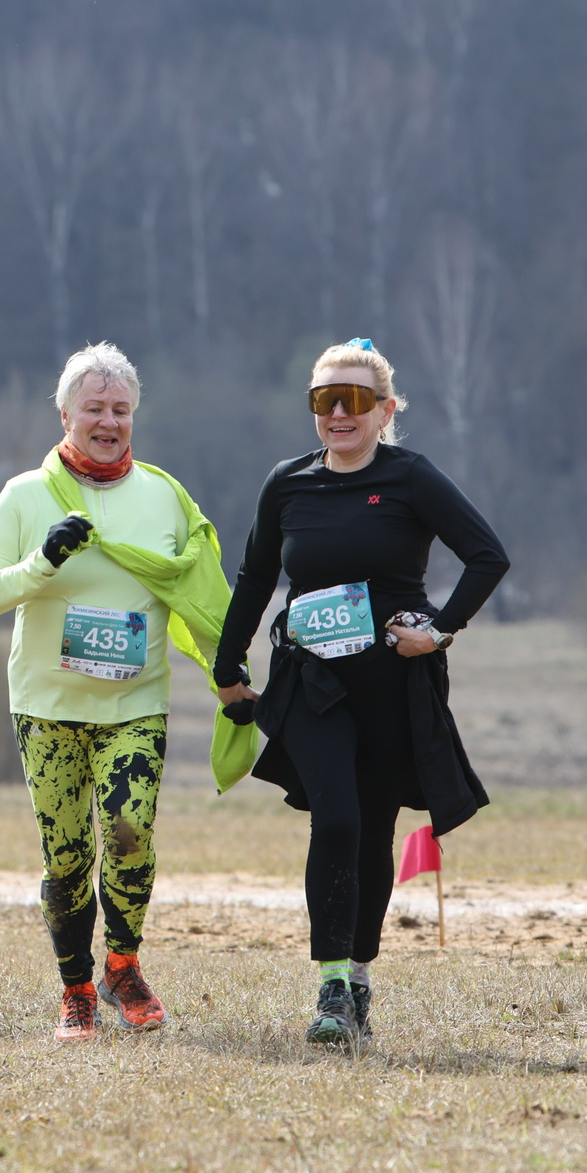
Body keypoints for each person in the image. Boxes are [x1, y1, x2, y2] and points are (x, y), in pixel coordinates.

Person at [214, 339, 508, 1049]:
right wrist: (228, 665)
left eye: (353, 400)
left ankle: (359, 979)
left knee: (374, 829)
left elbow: (487, 556)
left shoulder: (411, 477)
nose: (338, 414)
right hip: (311, 682)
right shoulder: (287, 484)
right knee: (337, 820)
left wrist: (437, 632)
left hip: (390, 683)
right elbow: (255, 577)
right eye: (324, 400)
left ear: (384, 410)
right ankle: (331, 987)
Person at [0, 343, 248, 1042]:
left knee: (128, 830)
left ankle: (122, 965)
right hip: (47, 707)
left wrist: (229, 672)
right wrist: (43, 561)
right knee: (65, 857)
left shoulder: (165, 496)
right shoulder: (25, 495)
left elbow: (201, 593)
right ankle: (77, 989)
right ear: (65, 415)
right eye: (95, 408)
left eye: (121, 409)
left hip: (135, 703)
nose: (109, 422)